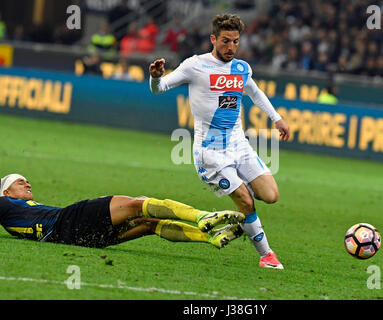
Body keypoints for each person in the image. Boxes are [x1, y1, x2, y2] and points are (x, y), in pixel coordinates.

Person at [148, 14, 291, 269]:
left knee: (270, 195)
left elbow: (256, 94)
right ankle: (267, 255)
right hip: (210, 153)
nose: (231, 47)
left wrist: (277, 119)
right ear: (213, 39)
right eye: (225, 41)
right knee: (246, 201)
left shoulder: (241, 69)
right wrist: (156, 77)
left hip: (238, 146)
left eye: (235, 41)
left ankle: (243, 219)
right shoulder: (195, 65)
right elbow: (159, 89)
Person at [0, 174, 245, 249]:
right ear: (6, 193)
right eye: (20, 183)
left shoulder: (18, 212)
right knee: (137, 203)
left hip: (78, 239)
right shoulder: (5, 204)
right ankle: (202, 217)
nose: (28, 184)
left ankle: (210, 236)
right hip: (68, 220)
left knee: (148, 224)